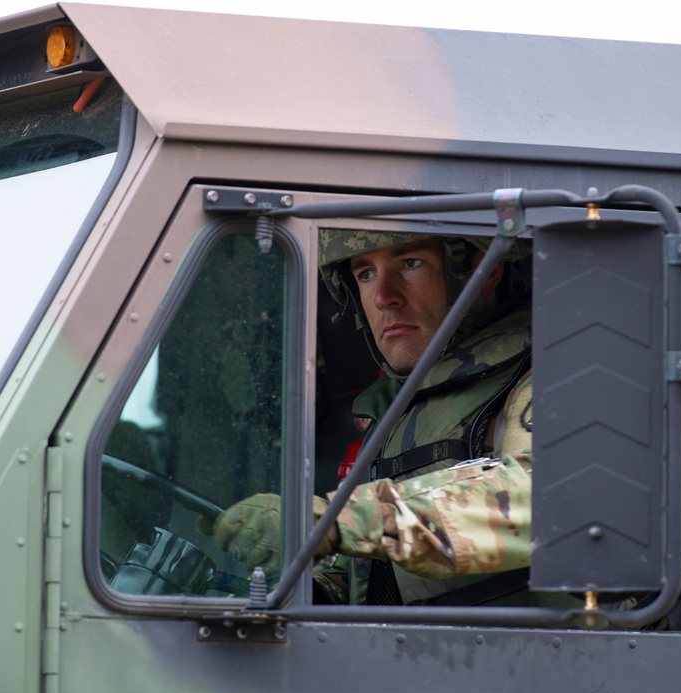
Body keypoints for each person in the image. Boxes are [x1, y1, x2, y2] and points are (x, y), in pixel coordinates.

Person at [211, 229, 534, 605]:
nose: (383, 298)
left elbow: (543, 500)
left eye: (410, 263)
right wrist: (311, 593)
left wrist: (333, 523)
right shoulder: (398, 410)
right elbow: (370, 578)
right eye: (365, 274)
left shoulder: (548, 375)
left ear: (485, 269)